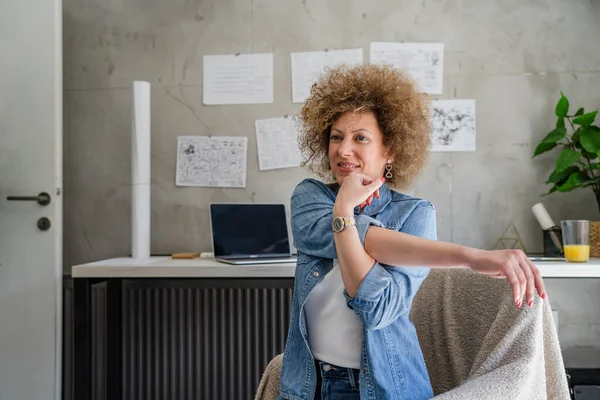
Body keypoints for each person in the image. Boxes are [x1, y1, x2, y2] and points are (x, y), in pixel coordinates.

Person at [277, 64, 546, 400]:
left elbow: (377, 311)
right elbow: (368, 238)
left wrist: (344, 215)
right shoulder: (311, 197)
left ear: (389, 150)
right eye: (336, 137)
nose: (343, 150)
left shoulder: (415, 214)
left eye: (360, 138)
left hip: (385, 388)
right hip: (306, 386)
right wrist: (470, 257)